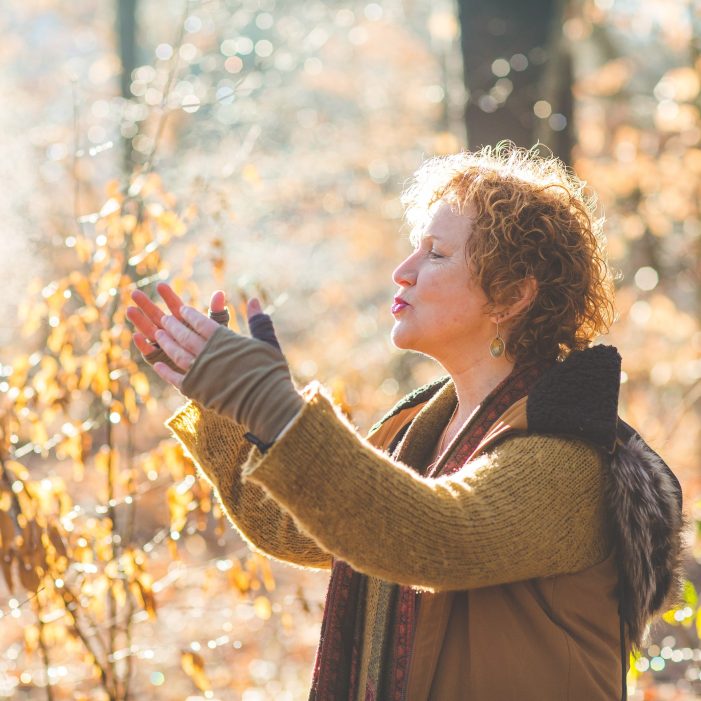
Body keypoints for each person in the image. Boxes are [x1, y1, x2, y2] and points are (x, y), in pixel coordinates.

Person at [127, 144, 684, 701]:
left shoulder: (565, 457)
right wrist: (226, 404)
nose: (403, 271)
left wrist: (272, 402)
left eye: (436, 254)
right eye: (415, 249)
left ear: (512, 296)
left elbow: (436, 536)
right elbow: (298, 526)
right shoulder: (421, 425)